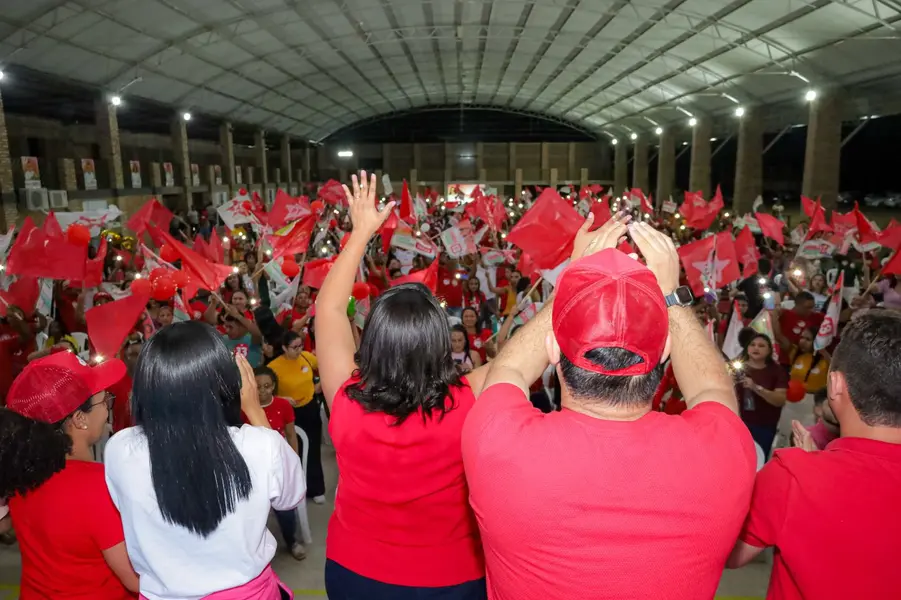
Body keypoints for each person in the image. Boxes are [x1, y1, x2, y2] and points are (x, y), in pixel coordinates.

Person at [461, 220, 756, 600]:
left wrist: (573, 275)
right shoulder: (725, 451)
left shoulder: (495, 439)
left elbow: (509, 369)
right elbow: (712, 387)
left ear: (553, 351)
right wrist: (672, 294)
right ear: (665, 352)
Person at [316, 172, 488, 600]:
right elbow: (524, 356)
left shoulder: (345, 402)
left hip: (355, 573)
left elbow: (330, 308)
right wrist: (577, 268)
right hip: (451, 579)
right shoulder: (468, 401)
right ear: (439, 346)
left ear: (371, 341)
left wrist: (360, 234)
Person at [104, 321, 304, 600]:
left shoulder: (119, 449)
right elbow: (291, 497)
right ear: (226, 383)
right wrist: (256, 411)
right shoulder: (259, 445)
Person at [727, 310, 901, 600]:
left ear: (835, 385)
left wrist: (808, 472)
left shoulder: (792, 476)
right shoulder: (798, 474)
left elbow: (728, 554)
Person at [0, 352, 139, 598]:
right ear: (79, 419)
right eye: (103, 400)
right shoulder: (97, 485)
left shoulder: (21, 473)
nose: (108, 406)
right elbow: (135, 579)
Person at [250, 366, 306, 560]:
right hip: (254, 467)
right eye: (258, 387)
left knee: (285, 509)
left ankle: (292, 540)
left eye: (267, 386)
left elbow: (291, 435)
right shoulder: (244, 409)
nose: (263, 391)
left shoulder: (283, 405)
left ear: (274, 386)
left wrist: (293, 464)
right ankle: (255, 547)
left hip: (279, 465)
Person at [268, 330, 326, 504]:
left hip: (309, 408)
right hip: (289, 412)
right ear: (284, 348)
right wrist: (282, 399)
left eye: (300, 345)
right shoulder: (274, 367)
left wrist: (320, 385)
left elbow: (326, 366)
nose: (299, 350)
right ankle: (296, 489)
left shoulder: (307, 357)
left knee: (313, 448)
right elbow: (265, 391)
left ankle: (316, 488)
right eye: (294, 347)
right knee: (293, 451)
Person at [736, 333, 788, 456]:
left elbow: (780, 400)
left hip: (763, 425)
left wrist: (756, 388)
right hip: (738, 421)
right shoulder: (736, 366)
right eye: (752, 345)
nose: (756, 348)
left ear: (769, 350)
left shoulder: (777, 371)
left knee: (757, 459)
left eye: (761, 346)